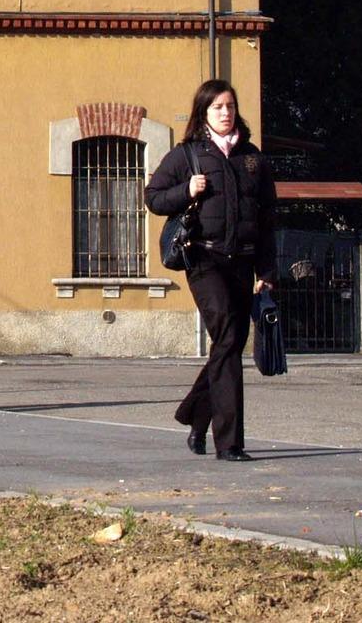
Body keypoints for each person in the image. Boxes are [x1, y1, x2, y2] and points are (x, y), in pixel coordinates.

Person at [145, 79, 276, 462]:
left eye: (230, 106)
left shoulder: (252, 158)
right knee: (230, 338)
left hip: (244, 261)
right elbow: (153, 198)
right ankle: (230, 443)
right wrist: (187, 190)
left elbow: (267, 218)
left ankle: (196, 416)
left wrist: (267, 271)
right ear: (204, 112)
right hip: (204, 259)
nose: (225, 112)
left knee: (228, 344)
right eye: (218, 106)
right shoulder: (188, 155)